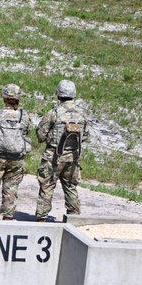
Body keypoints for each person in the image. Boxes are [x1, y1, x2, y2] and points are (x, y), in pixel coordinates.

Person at [35, 79, 90, 222]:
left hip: (53, 157)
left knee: (47, 187)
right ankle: (74, 220)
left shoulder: (54, 113)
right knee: (71, 187)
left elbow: (41, 135)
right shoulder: (81, 114)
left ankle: (41, 219)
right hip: (73, 157)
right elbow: (85, 136)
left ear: (58, 94)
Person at [0, 83, 32, 220]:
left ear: (4, 98)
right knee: (11, 189)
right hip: (16, 159)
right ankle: (7, 218)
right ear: (19, 99)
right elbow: (26, 131)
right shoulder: (24, 116)